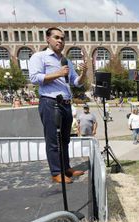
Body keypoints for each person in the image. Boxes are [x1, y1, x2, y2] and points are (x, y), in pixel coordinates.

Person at [29, 27, 87, 184]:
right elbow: (34, 78)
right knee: (53, 140)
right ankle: (56, 172)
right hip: (50, 102)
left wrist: (84, 74)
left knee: (65, 140)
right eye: (56, 37)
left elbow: (76, 82)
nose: (60, 41)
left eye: (62, 38)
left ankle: (66, 167)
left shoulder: (66, 60)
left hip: (67, 103)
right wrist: (59, 74)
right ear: (47, 39)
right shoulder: (39, 57)